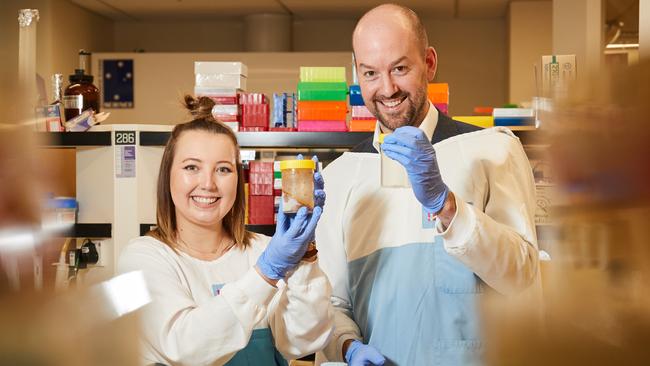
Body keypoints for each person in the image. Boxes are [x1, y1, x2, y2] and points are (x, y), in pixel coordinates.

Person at [317, 4, 540, 366]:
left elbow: (523, 277)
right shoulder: (342, 175)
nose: (386, 88)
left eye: (400, 68)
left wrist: (448, 206)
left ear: (430, 63)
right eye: (370, 73)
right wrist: (347, 347)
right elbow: (331, 305)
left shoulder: (494, 149)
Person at [118, 96, 334, 366]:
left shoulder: (263, 250)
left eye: (223, 169)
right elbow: (184, 349)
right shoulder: (140, 260)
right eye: (191, 167)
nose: (208, 183)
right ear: (168, 176)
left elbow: (301, 341)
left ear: (238, 179)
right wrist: (267, 272)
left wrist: (304, 255)